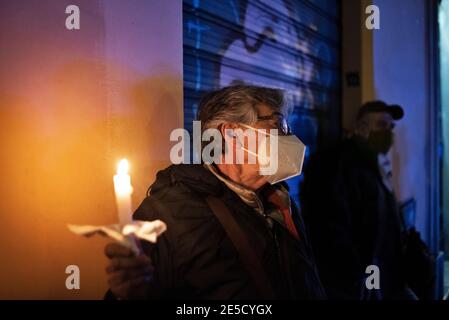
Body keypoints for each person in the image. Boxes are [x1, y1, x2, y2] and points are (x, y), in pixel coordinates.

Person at [103, 85, 326, 299]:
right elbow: (135, 289)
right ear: (231, 134)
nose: (288, 135)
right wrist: (126, 292)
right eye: (278, 123)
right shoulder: (169, 212)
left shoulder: (280, 201)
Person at [300, 100, 417, 299]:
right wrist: (362, 280)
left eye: (390, 127)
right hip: (355, 286)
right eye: (381, 125)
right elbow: (331, 231)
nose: (388, 132)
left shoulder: (373, 162)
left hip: (379, 279)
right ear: (361, 127)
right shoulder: (336, 164)